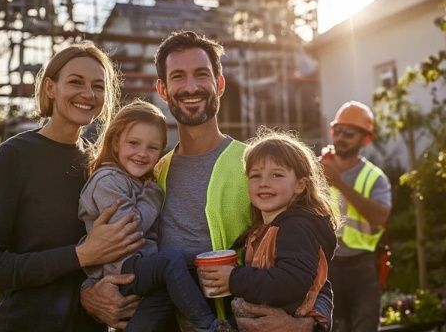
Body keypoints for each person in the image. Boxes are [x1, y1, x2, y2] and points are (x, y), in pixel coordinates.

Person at [81, 31, 333, 332]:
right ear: (162, 89)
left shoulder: (255, 170)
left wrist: (308, 325)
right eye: (178, 77)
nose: (191, 87)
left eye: (201, 74)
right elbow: (104, 247)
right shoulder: (151, 175)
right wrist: (88, 292)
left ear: (220, 83)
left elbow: (311, 261)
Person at [0, 42, 143, 332]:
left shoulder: (100, 166)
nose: (88, 94)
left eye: (98, 86)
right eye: (76, 82)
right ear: (50, 87)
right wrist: (80, 254)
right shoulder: (15, 155)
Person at [79, 99, 228, 332]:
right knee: (171, 263)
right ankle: (208, 325)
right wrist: (153, 195)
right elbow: (130, 227)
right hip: (124, 267)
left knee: (188, 269)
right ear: (116, 142)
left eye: (152, 147)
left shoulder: (132, 180)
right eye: (134, 143)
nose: (142, 153)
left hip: (142, 265)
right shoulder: (108, 180)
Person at [197, 130, 337, 330]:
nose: (264, 183)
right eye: (255, 175)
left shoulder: (296, 227)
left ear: (300, 185)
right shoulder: (262, 229)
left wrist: (233, 278)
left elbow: (292, 282)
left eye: (276, 175)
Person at [320, 100, 392, 332]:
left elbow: (380, 217)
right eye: (336, 131)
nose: (340, 137)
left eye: (348, 133)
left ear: (366, 139)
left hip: (362, 267)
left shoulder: (375, 177)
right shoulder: (319, 168)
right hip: (328, 265)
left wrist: (339, 183)